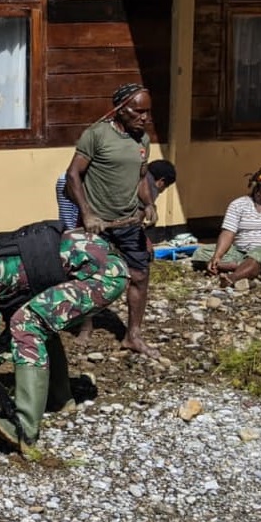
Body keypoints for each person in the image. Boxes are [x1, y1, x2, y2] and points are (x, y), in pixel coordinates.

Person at [0, 230, 128, 451]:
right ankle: (60, 399)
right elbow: (4, 338)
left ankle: (25, 430)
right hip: (105, 268)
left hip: (101, 276)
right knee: (38, 319)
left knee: (27, 322)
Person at [65, 83, 159, 358]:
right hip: (98, 224)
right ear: (120, 109)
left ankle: (133, 335)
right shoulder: (96, 135)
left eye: (148, 112)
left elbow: (142, 177)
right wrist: (86, 213)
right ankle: (86, 323)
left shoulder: (142, 139)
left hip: (129, 222)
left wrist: (149, 203)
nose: (144, 118)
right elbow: (72, 176)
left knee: (140, 275)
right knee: (89, 276)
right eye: (138, 111)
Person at [56, 159, 177, 343]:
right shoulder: (149, 186)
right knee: (83, 253)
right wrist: (144, 240)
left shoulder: (137, 172)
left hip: (75, 186)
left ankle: (86, 326)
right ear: (161, 181)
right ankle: (86, 325)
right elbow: (135, 220)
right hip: (76, 189)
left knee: (84, 255)